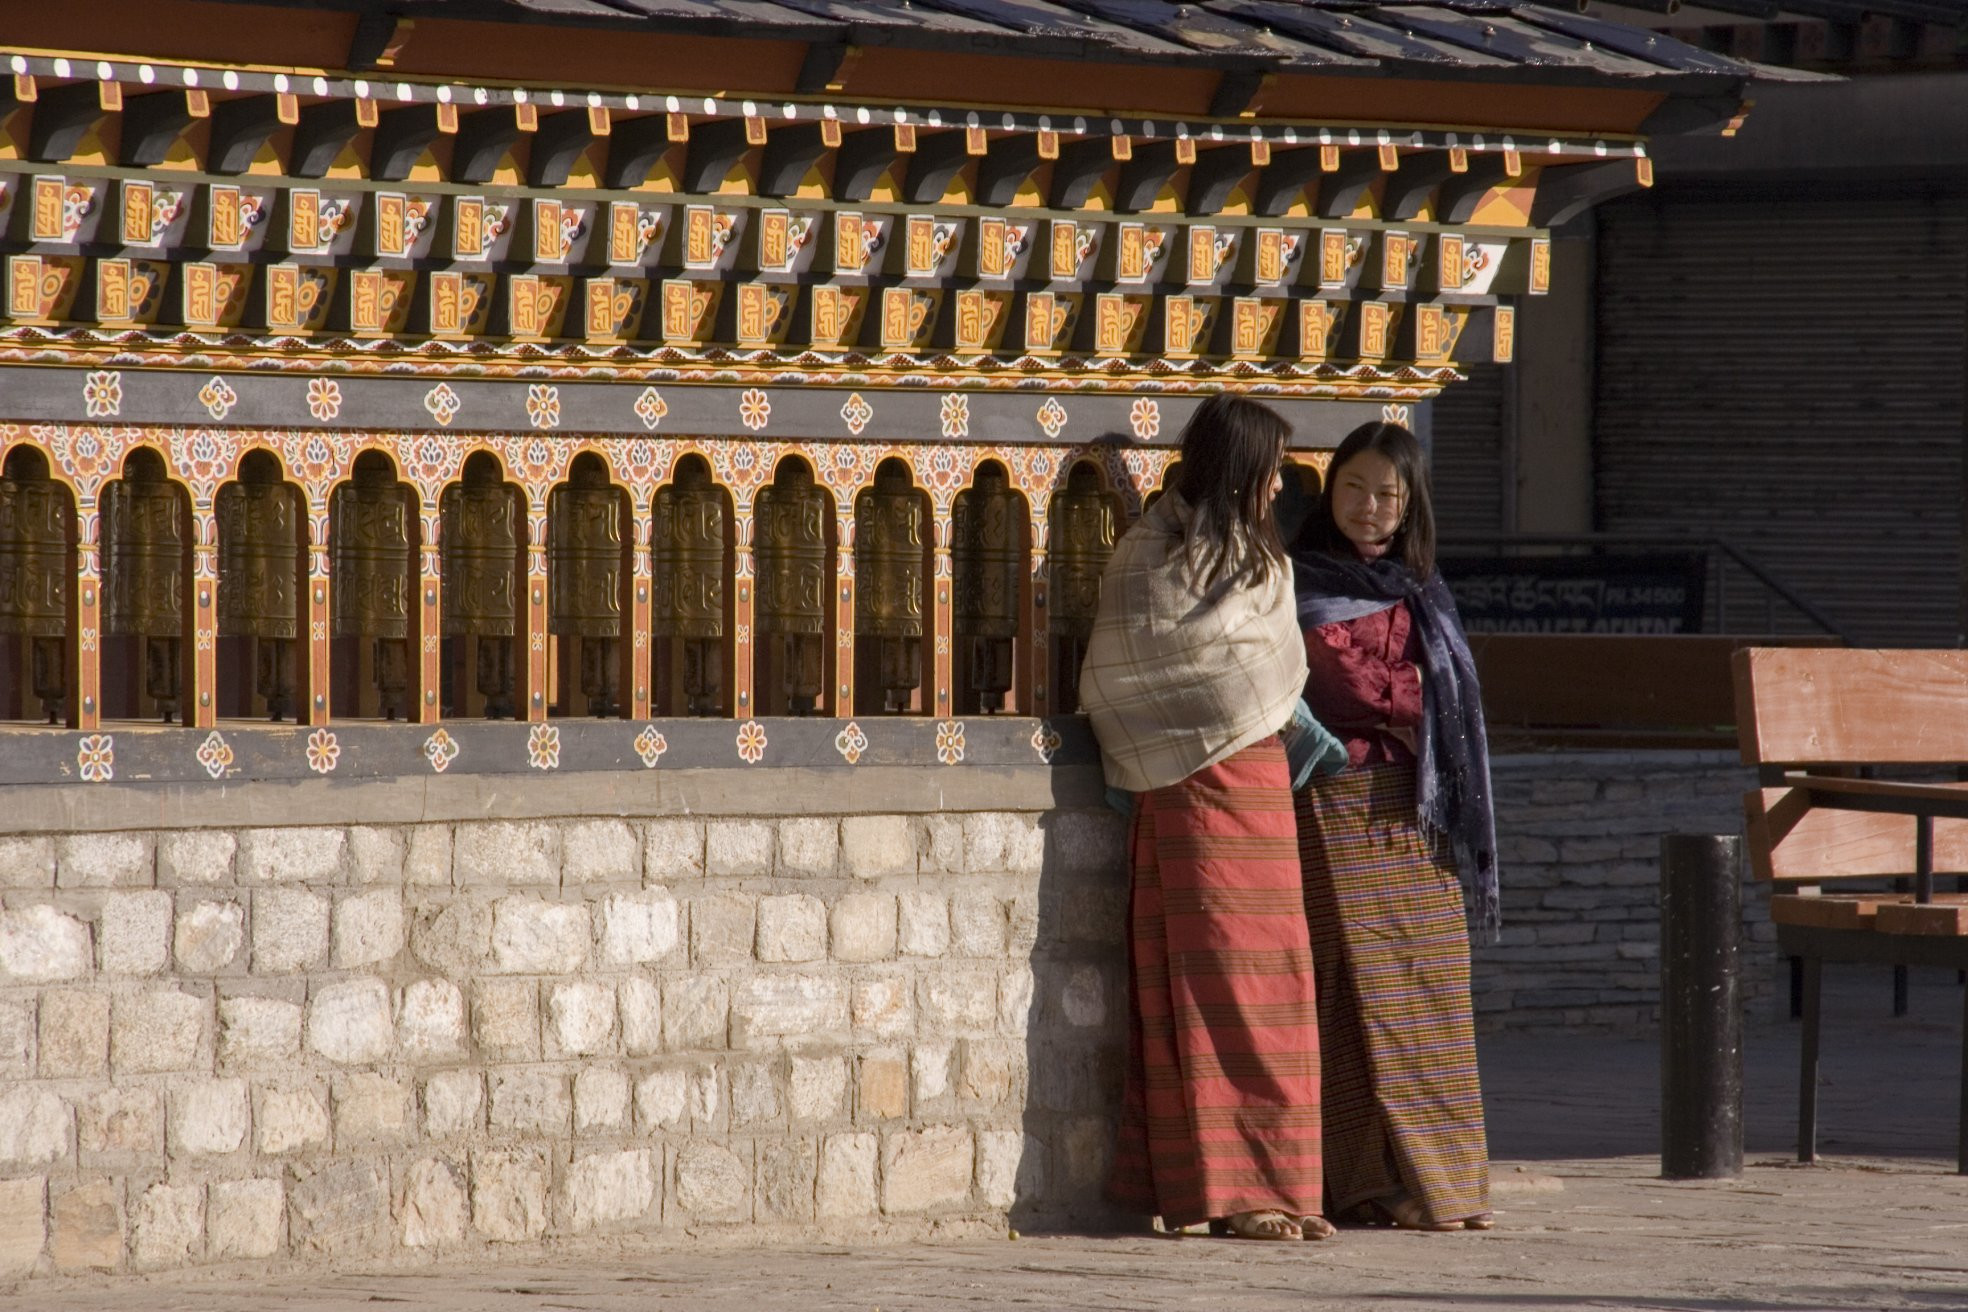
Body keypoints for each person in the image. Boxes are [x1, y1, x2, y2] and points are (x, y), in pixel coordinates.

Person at [1080, 393, 1346, 1243]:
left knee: (1280, 986)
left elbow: (1269, 668)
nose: (1278, 487)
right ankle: (1229, 1195)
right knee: (1211, 987)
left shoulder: (1266, 560)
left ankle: (1286, 1184)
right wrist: (1234, 700)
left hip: (1262, 787)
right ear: (1238, 471)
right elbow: (1137, 672)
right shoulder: (1147, 556)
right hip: (1190, 795)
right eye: (1268, 470)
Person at [1290, 419, 1497, 1233]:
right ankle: (1365, 1184)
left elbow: (1444, 689)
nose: (1369, 508)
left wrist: (1414, 693)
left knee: (1429, 993)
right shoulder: (1302, 580)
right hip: (1338, 801)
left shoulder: (1423, 590)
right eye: (1355, 488)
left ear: (1411, 506)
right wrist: (1417, 694)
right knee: (1348, 997)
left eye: (1388, 494)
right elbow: (1336, 681)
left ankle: (1448, 1185)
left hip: (1416, 812)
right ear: (1329, 489)